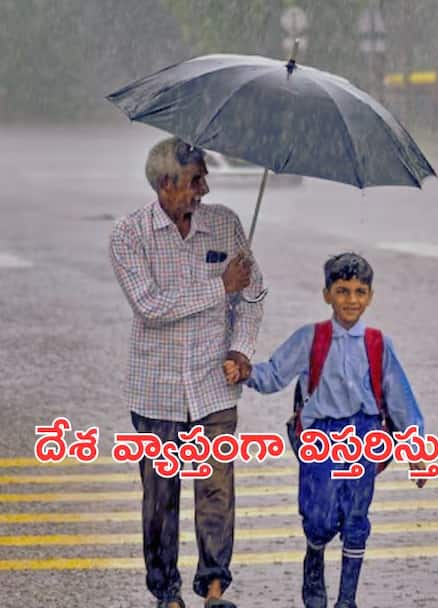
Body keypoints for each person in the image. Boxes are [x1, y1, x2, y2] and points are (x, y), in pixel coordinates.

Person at [109, 137, 263, 608]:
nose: (204, 189)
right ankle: (167, 594)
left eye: (203, 178)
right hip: (155, 392)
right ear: (165, 184)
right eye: (196, 180)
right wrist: (219, 286)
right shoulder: (129, 235)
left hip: (215, 387)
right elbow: (151, 306)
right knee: (160, 500)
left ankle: (215, 588)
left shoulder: (226, 225)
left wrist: (240, 348)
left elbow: (253, 296)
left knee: (217, 492)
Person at [226, 252, 426, 608]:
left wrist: (418, 453)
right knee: (317, 516)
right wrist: (245, 372)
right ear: (327, 294)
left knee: (356, 517)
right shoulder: (310, 338)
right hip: (319, 438)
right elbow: (275, 374)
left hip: (365, 437)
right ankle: (315, 553)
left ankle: (347, 599)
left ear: (370, 297)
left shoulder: (379, 345)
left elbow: (400, 400)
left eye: (360, 292)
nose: (352, 300)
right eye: (343, 291)